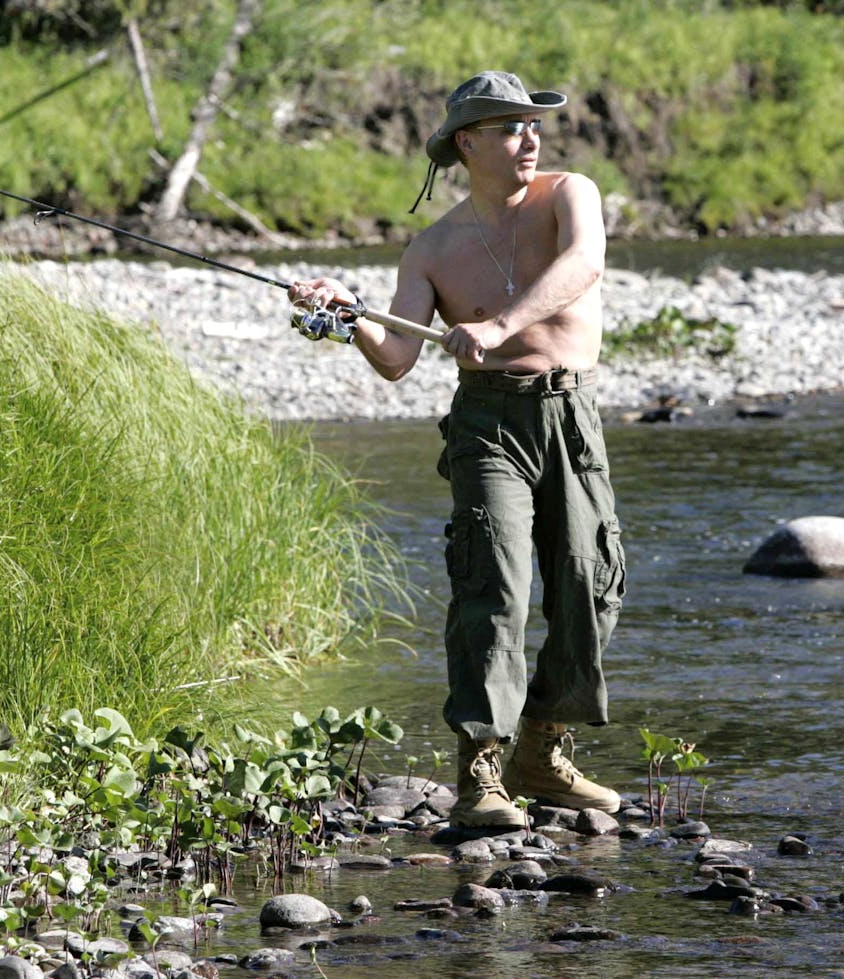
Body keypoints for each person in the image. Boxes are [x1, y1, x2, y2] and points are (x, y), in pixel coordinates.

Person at [289, 71, 625, 830]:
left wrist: (499, 325)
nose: (529, 138)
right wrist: (341, 315)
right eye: (510, 128)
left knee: (589, 583)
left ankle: (543, 747)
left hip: (570, 413)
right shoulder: (432, 249)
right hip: (485, 427)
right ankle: (482, 767)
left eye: (533, 125)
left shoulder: (573, 193)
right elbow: (396, 356)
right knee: (494, 586)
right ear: (466, 144)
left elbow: (583, 267)